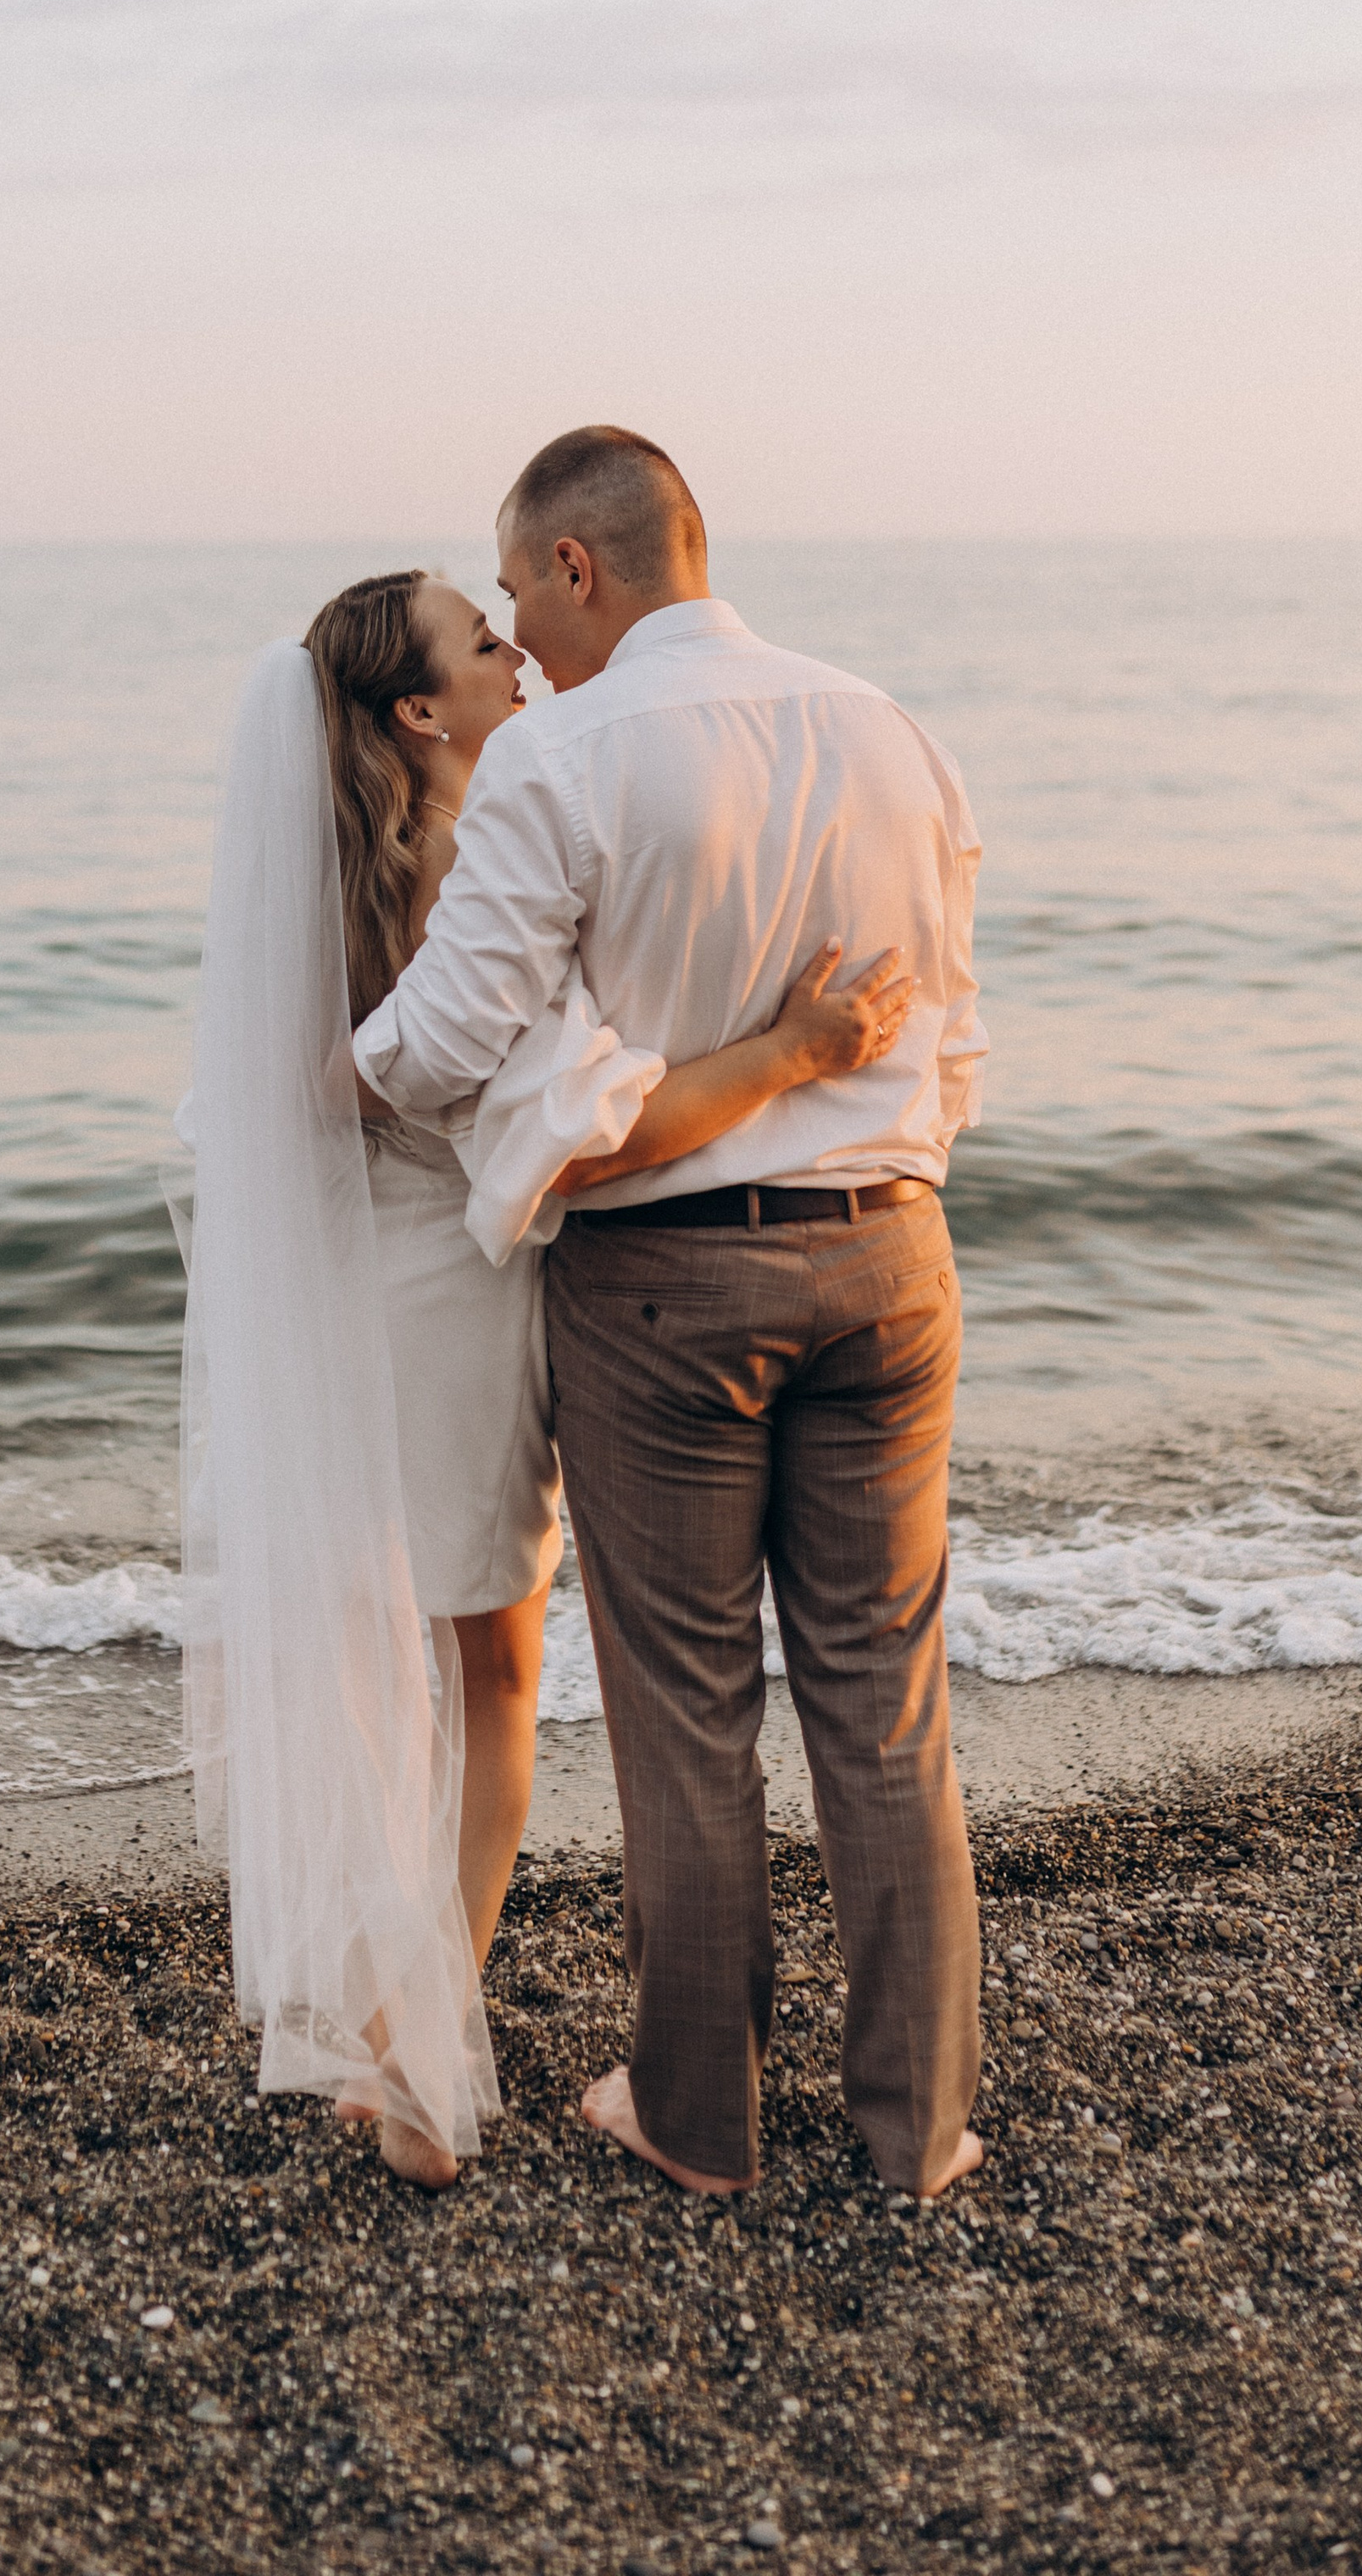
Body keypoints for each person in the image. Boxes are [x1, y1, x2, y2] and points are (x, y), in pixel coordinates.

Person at [180, 568, 913, 2193]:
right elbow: (597, 1130)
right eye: (483, 639)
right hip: (456, 1300)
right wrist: (801, 1050)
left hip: (364, 1297)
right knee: (493, 1685)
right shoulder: (463, 871)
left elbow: (325, 1090)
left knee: (407, 1679)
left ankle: (391, 2033)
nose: (518, 652)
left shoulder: (355, 880)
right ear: (423, 713)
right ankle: (423, 2073)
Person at [354, 430, 989, 2203]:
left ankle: (699, 2125)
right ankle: (915, 2129)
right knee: (884, 1708)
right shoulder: (884, 726)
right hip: (894, 1255)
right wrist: (873, 1163)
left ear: (578, 567)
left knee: (686, 1714)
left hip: (662, 1286)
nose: (514, 636)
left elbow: (440, 1048)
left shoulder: (565, 750)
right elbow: (952, 1027)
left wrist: (324, 1064)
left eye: (517, 592)